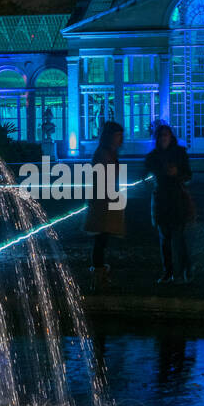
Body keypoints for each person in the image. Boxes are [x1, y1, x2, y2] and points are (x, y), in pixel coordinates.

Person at [143, 123, 194, 283]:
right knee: (164, 238)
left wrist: (178, 173)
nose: (164, 138)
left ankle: (184, 270)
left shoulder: (179, 153)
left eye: (166, 135)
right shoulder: (153, 156)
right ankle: (168, 271)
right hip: (161, 200)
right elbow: (143, 174)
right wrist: (148, 180)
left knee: (178, 236)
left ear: (171, 137)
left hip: (177, 198)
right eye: (161, 135)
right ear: (157, 138)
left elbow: (188, 174)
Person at [83, 120, 124, 293]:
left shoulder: (108, 153)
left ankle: (99, 277)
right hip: (102, 202)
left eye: (121, 136)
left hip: (105, 201)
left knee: (102, 240)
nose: (120, 139)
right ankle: (98, 278)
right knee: (100, 240)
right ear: (110, 136)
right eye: (117, 135)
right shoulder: (104, 154)